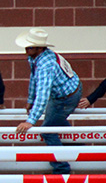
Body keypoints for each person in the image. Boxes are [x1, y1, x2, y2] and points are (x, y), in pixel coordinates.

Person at [15, 29, 82, 175]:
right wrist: (30, 99)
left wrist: (30, 121)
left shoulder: (46, 65)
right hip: (65, 93)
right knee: (56, 122)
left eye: (30, 47)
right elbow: (34, 80)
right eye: (27, 47)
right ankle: (80, 149)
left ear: (39, 48)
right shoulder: (38, 57)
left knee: (48, 131)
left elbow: (43, 93)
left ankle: (62, 169)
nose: (26, 50)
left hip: (65, 97)